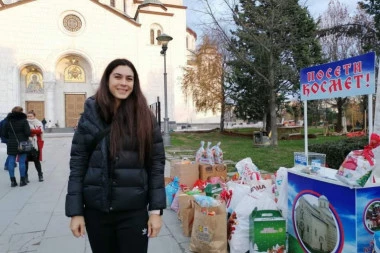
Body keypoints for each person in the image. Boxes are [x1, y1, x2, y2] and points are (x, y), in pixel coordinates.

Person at [65, 58, 166, 253]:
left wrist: (155, 211)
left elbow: (156, 165)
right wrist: (75, 212)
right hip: (97, 211)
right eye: (117, 77)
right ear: (107, 79)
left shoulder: (145, 117)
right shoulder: (90, 115)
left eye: (129, 79)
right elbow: (78, 164)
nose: (123, 83)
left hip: (133, 212)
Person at [1, 106, 30, 187]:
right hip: (23, 143)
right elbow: (28, 133)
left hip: (11, 143)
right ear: (21, 112)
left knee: (11, 161)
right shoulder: (24, 121)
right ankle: (22, 180)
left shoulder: (8, 121)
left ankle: (13, 181)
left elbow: (3, 133)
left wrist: (10, 138)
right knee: (22, 161)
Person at [25, 110, 44, 182]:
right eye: (28, 116)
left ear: (34, 116)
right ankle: (25, 176)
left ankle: (40, 175)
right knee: (25, 161)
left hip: (35, 144)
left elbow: (40, 131)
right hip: (26, 143)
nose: (29, 117)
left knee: (36, 160)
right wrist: (34, 131)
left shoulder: (38, 122)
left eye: (31, 116)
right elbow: (26, 132)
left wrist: (30, 131)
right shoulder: (25, 122)